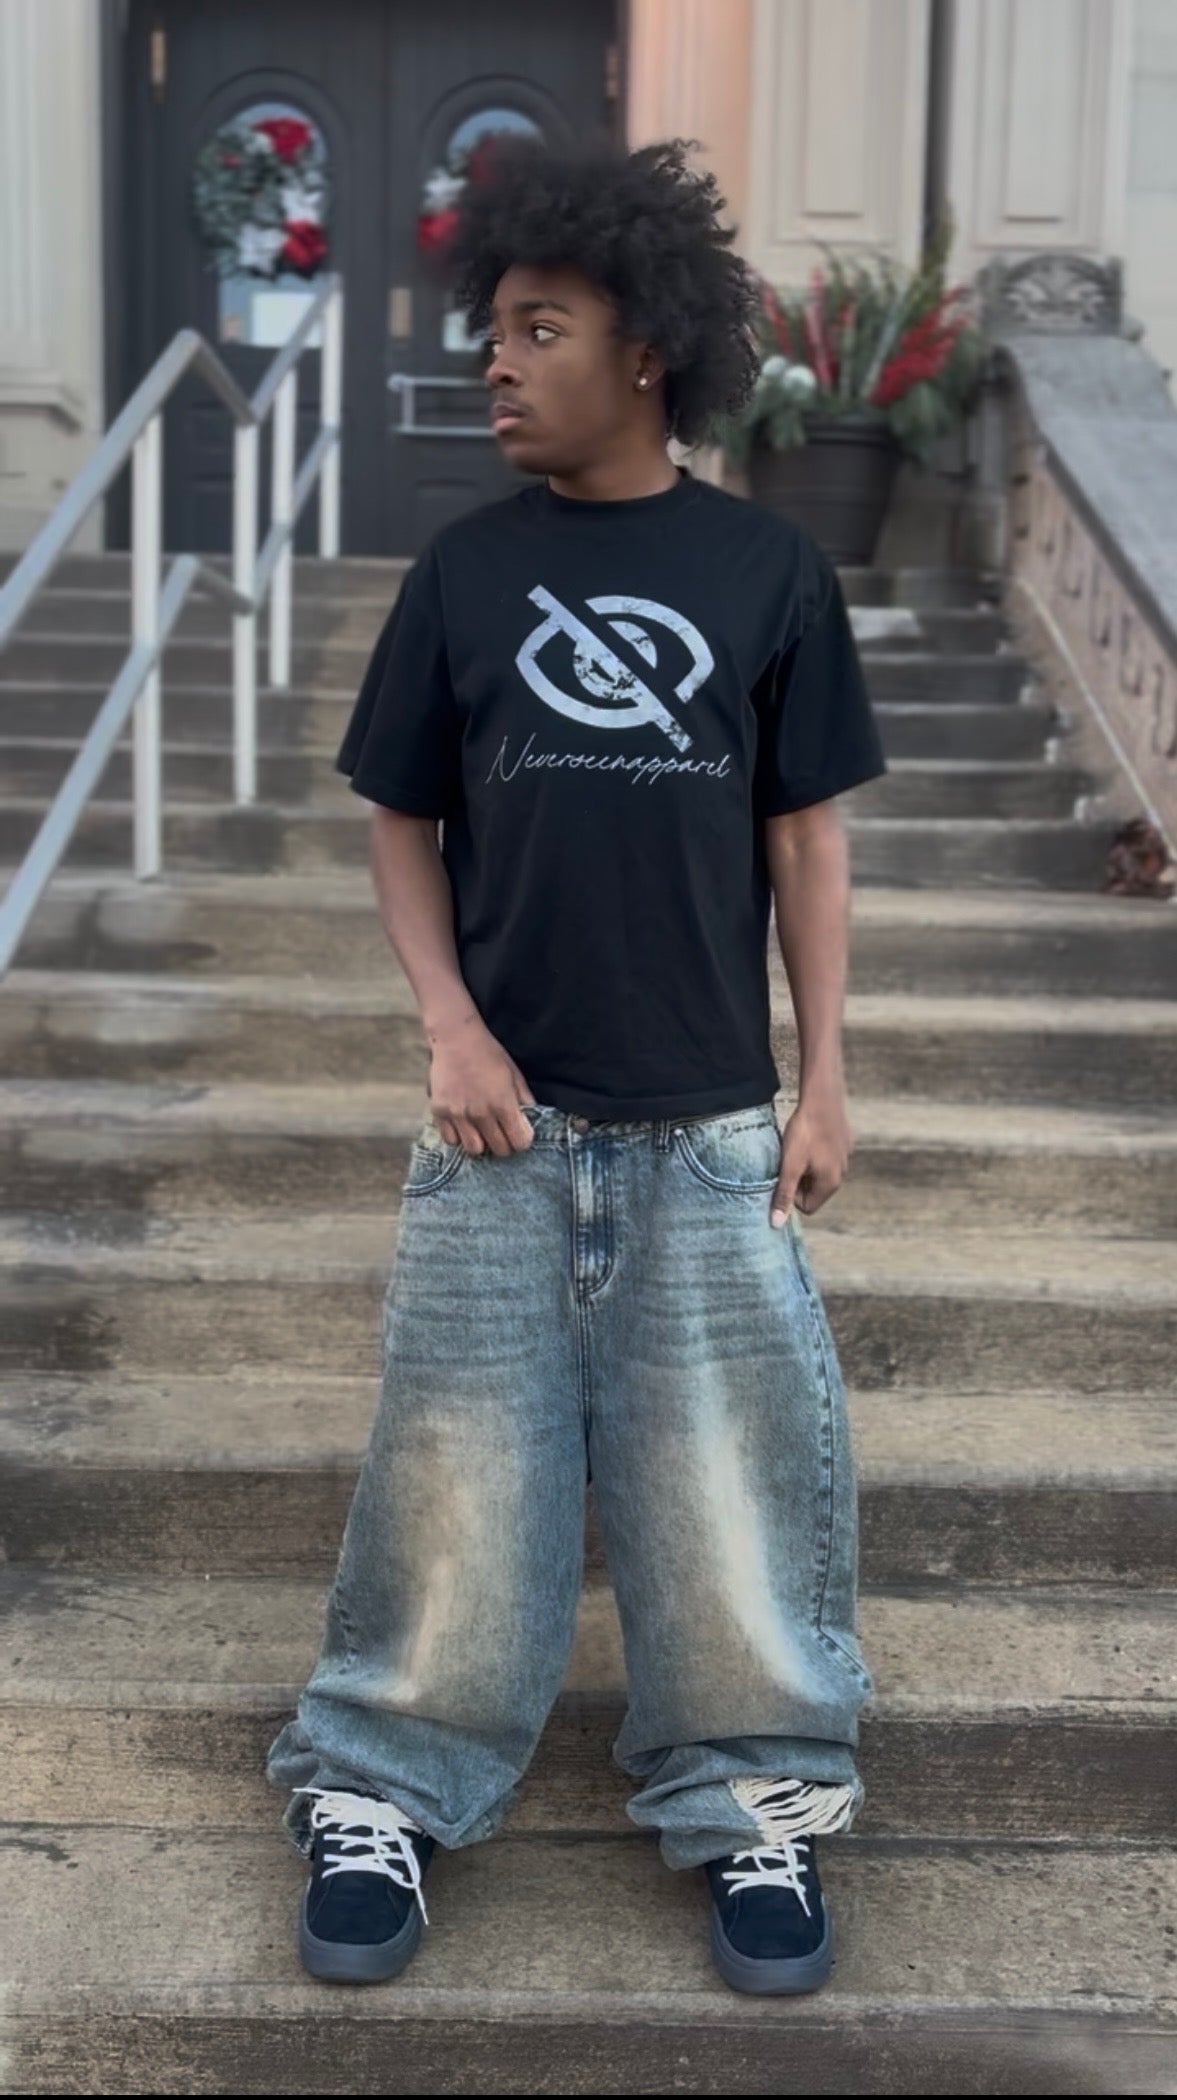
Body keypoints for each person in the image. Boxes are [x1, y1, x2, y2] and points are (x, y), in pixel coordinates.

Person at [266, 137, 887, 1998]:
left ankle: (752, 1801)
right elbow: (397, 821)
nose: (498, 361)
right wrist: (448, 1027)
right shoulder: (464, 575)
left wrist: (825, 1076)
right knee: (457, 1484)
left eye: (541, 328)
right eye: (495, 328)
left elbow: (804, 843)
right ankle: (380, 1786)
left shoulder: (767, 569)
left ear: (647, 352)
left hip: (706, 1132)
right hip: (497, 1137)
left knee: (727, 1496)